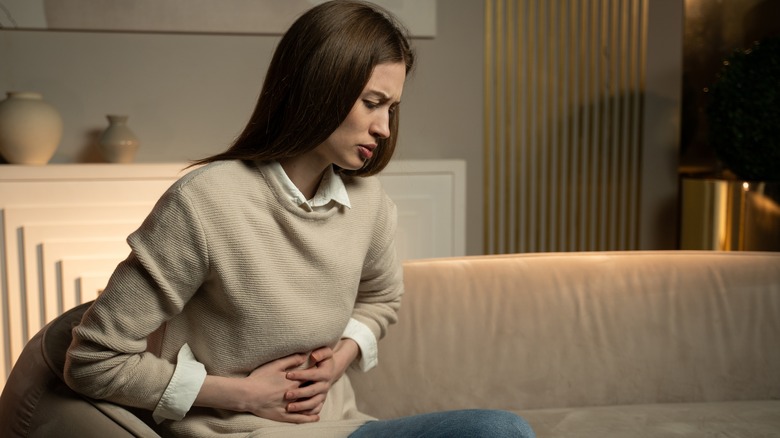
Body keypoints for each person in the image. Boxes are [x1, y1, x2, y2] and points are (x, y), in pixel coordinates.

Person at [64, 1, 535, 437]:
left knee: (500, 430)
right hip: (241, 433)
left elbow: (382, 298)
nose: (385, 128)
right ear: (322, 88)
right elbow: (93, 359)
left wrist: (339, 360)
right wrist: (243, 394)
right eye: (372, 103)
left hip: (342, 428)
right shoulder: (205, 202)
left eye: (392, 109)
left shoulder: (369, 203)